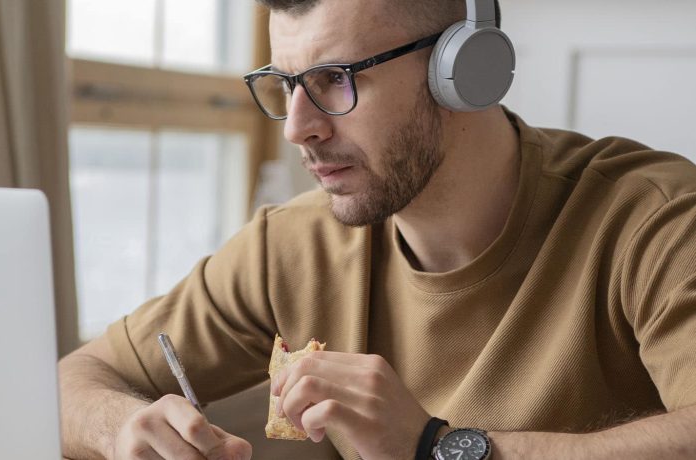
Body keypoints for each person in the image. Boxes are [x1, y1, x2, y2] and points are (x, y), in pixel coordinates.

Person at [59, 0, 696, 458]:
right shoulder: (291, 245)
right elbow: (71, 381)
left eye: (334, 79)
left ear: (462, 73)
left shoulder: (654, 218)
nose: (297, 128)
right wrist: (124, 429)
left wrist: (438, 448)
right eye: (284, 85)